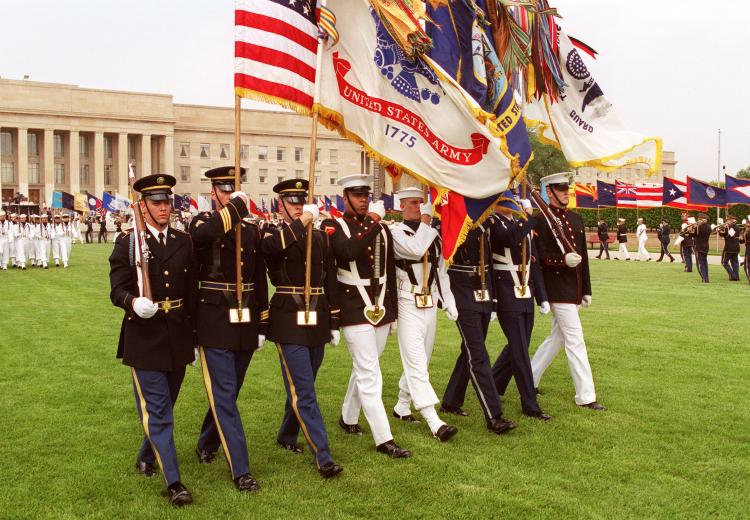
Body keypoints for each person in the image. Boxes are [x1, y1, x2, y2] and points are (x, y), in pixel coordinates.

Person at [108, 173, 197, 506]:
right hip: (144, 338)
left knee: (165, 406)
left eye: (167, 201)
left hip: (177, 334)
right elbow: (116, 289)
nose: (163, 208)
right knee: (160, 413)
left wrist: (195, 338)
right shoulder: (128, 242)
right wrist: (133, 302)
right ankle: (174, 482)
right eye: (156, 202)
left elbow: (191, 291)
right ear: (142, 206)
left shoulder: (182, 240)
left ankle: (146, 455)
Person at [190, 166, 268, 492]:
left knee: (229, 392)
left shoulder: (251, 231)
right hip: (213, 322)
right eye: (224, 190)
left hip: (245, 321)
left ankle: (206, 443)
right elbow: (203, 236)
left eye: (234, 190)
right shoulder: (200, 222)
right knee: (223, 395)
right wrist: (234, 208)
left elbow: (260, 278)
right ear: (213, 193)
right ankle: (240, 468)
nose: (230, 195)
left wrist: (263, 322)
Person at [260, 178, 344, 479]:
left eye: (301, 203)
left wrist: (334, 321)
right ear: (281, 206)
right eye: (291, 203)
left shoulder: (321, 237)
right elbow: (271, 248)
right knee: (304, 389)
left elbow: (330, 279)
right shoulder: (272, 232)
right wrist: (304, 221)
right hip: (288, 318)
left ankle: (286, 434)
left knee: (302, 384)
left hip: (317, 317)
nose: (297, 207)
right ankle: (323, 455)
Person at [325, 174, 411, 458]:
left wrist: (394, 313)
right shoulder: (333, 225)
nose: (364, 200)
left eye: (366, 195)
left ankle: (348, 417)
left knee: (365, 367)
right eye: (357, 195)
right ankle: (384, 438)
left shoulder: (381, 229)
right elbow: (348, 251)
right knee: (370, 373)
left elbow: (388, 271)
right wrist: (374, 221)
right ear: (345, 198)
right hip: (352, 309)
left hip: (380, 308)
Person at [530, 173, 605, 411]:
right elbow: (538, 257)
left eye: (566, 188)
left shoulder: (575, 218)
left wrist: (586, 289)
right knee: (575, 339)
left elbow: (583, 258)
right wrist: (562, 260)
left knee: (558, 338)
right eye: (560, 189)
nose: (566, 192)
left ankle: (529, 379)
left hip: (572, 289)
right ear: (549, 192)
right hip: (556, 288)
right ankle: (586, 395)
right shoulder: (541, 220)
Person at [389, 187, 459, 442]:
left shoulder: (432, 235)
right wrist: (428, 222)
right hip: (406, 300)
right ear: (401, 206)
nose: (418, 207)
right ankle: (434, 420)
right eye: (412, 203)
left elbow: (441, 271)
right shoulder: (396, 232)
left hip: (428, 301)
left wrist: (448, 301)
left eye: (421, 202)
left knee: (423, 359)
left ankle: (401, 405)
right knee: (417, 362)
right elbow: (416, 250)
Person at [440, 212, 517, 434]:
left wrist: (492, 300)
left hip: (482, 290)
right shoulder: (451, 220)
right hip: (461, 291)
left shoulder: (484, 221)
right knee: (478, 354)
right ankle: (494, 415)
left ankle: (451, 400)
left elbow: (489, 262)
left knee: (470, 350)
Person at [489, 196, 553, 420]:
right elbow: (509, 240)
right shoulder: (493, 223)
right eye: (506, 201)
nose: (511, 205)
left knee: (520, 344)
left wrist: (542, 297)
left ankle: (494, 383)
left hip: (526, 291)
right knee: (520, 351)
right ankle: (530, 404)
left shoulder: (519, 223)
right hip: (506, 291)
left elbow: (531, 261)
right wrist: (528, 217)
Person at [688, 213, 711, 283]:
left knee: (700, 264)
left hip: (698, 246)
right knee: (705, 263)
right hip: (706, 246)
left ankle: (704, 278)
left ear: (700, 219)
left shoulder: (698, 227)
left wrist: (692, 228)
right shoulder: (709, 227)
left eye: (698, 219)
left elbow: (691, 234)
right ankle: (706, 278)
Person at [718, 214, 740, 281]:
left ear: (730, 220)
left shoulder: (729, 227)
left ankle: (733, 276)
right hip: (736, 247)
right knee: (735, 263)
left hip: (728, 248)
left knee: (724, 262)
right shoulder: (737, 227)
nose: (726, 221)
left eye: (727, 220)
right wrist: (722, 229)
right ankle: (737, 276)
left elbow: (725, 234)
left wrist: (720, 230)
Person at [741, 217, 750, 283]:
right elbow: (742, 241)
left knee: (746, 266)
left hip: (748, 251)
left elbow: (744, 240)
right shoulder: (746, 232)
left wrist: (744, 233)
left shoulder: (747, 233)